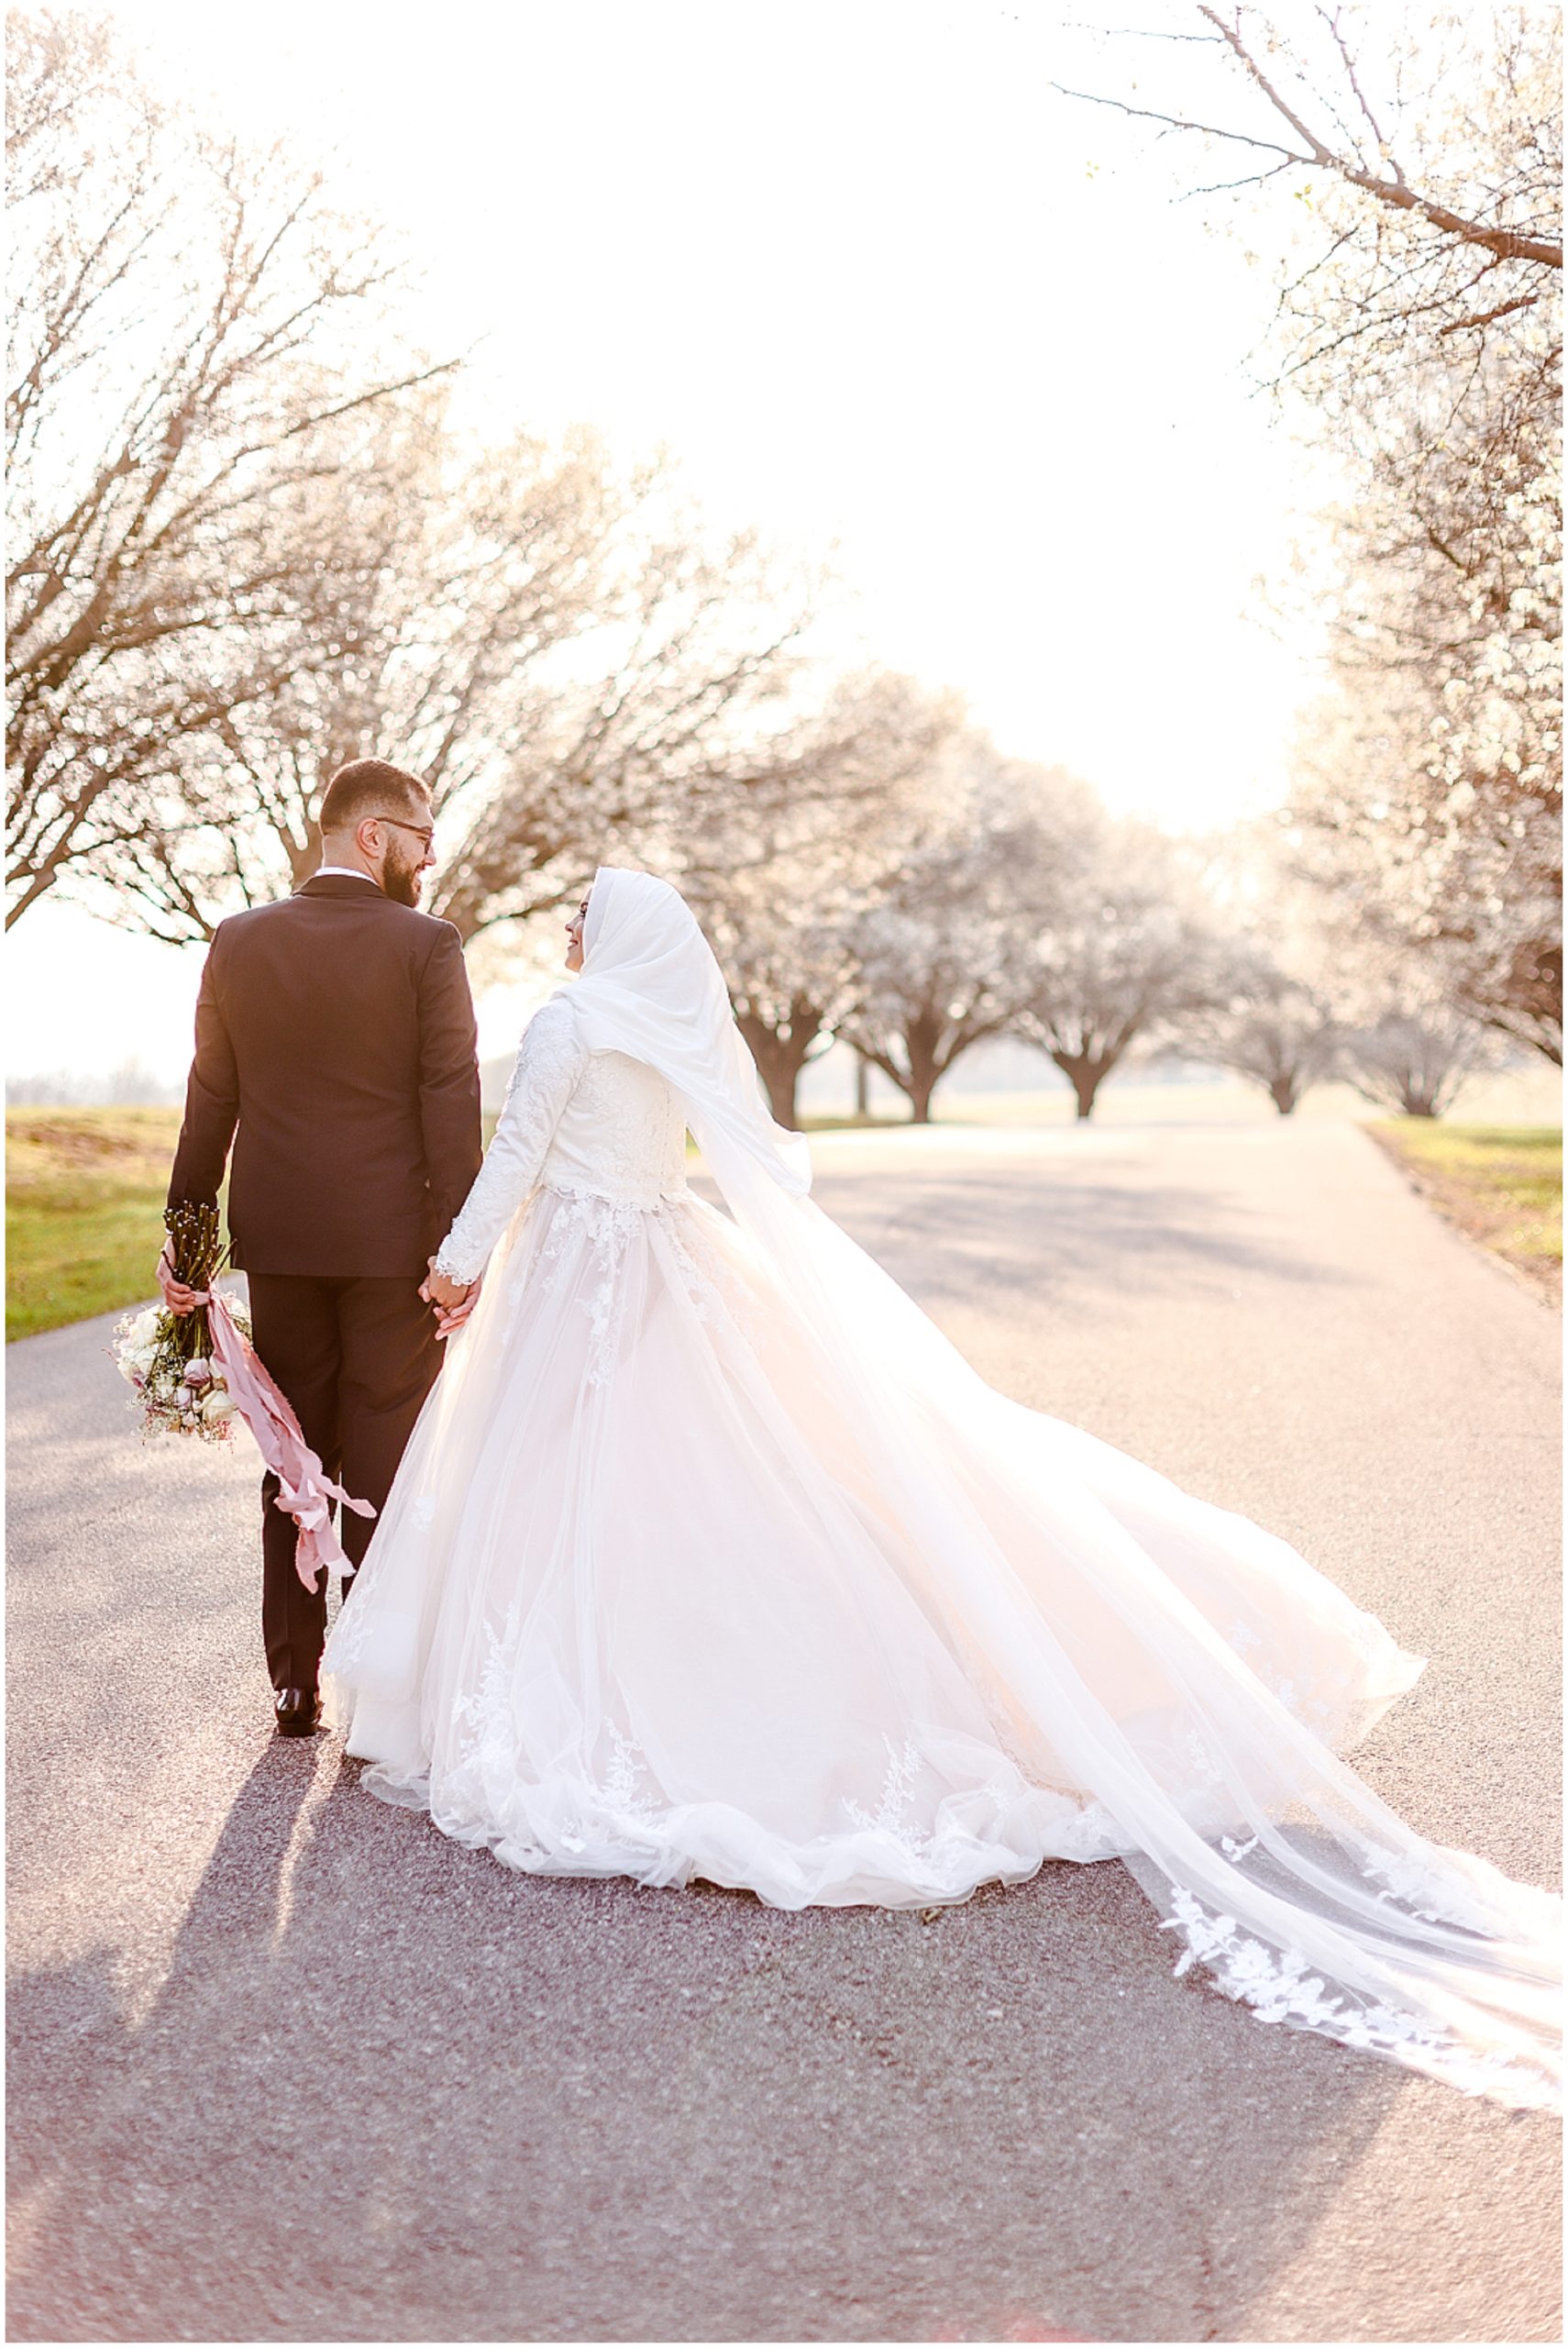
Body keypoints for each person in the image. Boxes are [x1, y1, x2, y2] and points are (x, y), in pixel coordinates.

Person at [324, 865, 1560, 2107]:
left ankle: (609, 1685)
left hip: (579, 1274)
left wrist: (456, 1265)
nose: (571, 926)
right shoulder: (659, 1023)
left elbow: (520, 1154)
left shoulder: (568, 1020)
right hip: (665, 1257)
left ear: (617, 936)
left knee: (585, 1488)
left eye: (585, 912)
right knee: (708, 1484)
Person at [163, 759, 482, 1735]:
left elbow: (210, 1097)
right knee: (383, 1456)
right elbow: (449, 1106)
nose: (431, 857)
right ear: (374, 835)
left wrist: (189, 1245)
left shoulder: (238, 940)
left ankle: (294, 1681)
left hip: (283, 1245)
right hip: (395, 1254)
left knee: (293, 1454)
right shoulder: (428, 946)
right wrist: (456, 1251)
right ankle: (374, 1688)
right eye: (423, 836)